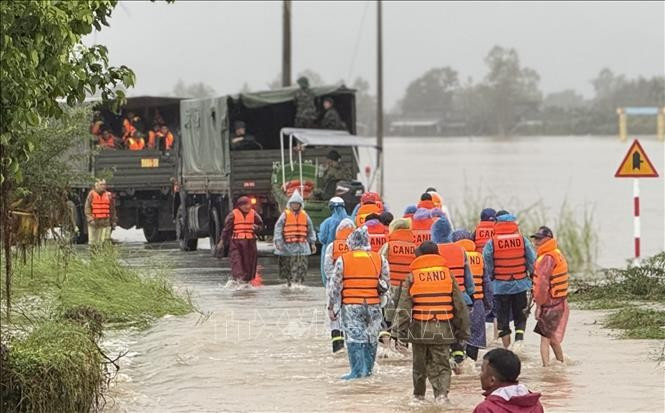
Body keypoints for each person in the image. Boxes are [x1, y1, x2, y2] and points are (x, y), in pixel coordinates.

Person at [393, 241, 471, 402]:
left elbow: (404, 307)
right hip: (442, 329)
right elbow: (459, 305)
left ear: (419, 255)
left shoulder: (412, 276)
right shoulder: (448, 275)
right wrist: (463, 330)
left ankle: (418, 397)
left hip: (419, 330)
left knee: (419, 367)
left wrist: (399, 333)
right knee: (442, 366)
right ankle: (441, 397)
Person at [328, 226, 390, 379]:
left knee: (354, 339)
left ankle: (356, 373)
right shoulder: (379, 258)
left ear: (351, 242)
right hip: (373, 305)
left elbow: (335, 285)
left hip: (351, 306)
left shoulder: (343, 259)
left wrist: (331, 306)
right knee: (371, 338)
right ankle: (368, 371)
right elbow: (386, 283)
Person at [483, 210, 536, 349]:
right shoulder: (522, 240)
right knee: (520, 315)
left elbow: (487, 263)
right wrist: (532, 275)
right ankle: (519, 339)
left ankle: (507, 349)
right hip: (521, 284)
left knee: (502, 319)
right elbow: (532, 260)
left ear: (497, 224)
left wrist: (492, 275)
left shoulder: (491, 243)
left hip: (500, 287)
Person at [432, 217, 475, 371]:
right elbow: (468, 276)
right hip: (462, 298)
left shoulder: (432, 251)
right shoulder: (460, 250)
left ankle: (448, 362)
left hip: (440, 299)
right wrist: (471, 294)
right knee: (459, 334)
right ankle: (459, 357)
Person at [530, 226, 570, 367]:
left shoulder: (547, 258)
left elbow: (542, 285)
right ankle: (561, 363)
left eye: (539, 239)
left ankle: (545, 369)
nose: (535, 242)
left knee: (544, 339)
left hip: (550, 304)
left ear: (547, 240)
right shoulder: (556, 253)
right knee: (552, 338)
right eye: (535, 239)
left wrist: (538, 305)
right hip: (559, 302)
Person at [453, 229, 493, 363]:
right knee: (474, 339)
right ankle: (470, 370)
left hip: (457, 304)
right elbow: (486, 284)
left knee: (456, 338)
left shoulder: (454, 257)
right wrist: (488, 306)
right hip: (477, 303)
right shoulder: (479, 257)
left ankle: (458, 369)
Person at [379, 218, 415, 347]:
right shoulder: (415, 247)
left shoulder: (389, 245)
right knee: (404, 317)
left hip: (391, 286)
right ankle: (402, 345)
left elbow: (380, 265)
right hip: (408, 288)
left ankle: (387, 348)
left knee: (388, 317)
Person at [474, 348, 544, 413]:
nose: (480, 375)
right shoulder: (535, 405)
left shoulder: (485, 409)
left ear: (492, 380)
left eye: (482, 370)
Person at [323, 218, 355, 353]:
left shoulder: (332, 246)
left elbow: (327, 268)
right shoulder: (357, 247)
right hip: (352, 286)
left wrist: (335, 279)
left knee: (334, 317)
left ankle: (338, 349)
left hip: (335, 286)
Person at [273, 190, 317, 286]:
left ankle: (298, 284)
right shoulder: (285, 215)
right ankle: (290, 284)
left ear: (300, 204)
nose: (295, 206)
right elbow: (278, 229)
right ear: (290, 204)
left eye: (297, 204)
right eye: (293, 204)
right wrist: (278, 242)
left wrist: (312, 243)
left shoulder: (305, 215)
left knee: (301, 267)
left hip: (302, 247)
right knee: (287, 268)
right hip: (288, 246)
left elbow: (310, 230)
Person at [219, 196, 264, 284]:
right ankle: (239, 281)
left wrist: (257, 228)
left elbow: (261, 226)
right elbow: (226, 229)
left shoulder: (254, 214)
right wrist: (222, 241)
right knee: (237, 262)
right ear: (239, 206)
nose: (247, 207)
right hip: (236, 243)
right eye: (244, 205)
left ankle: (246, 283)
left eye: (248, 205)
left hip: (250, 243)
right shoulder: (233, 214)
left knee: (249, 265)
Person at [318, 197, 349, 285]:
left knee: (329, 279)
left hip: (330, 252)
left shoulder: (327, 222)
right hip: (348, 252)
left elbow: (322, 239)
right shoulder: (350, 220)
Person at [84, 179, 116, 247]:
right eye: (101, 185)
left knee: (105, 241)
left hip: (105, 222)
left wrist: (113, 221)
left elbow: (112, 210)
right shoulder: (91, 194)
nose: (103, 186)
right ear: (96, 185)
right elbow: (87, 208)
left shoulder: (108, 195)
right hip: (94, 222)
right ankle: (94, 255)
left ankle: (103, 255)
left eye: (104, 185)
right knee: (93, 243)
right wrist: (90, 219)